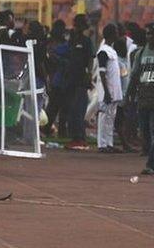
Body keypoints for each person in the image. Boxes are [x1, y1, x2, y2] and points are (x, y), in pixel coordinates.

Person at [127, 23, 154, 174]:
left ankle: (151, 164)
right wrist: (128, 96)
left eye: (151, 34)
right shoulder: (141, 53)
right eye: (148, 34)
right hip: (144, 97)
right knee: (144, 131)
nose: (149, 37)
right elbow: (134, 76)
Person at [65, 14, 94, 151]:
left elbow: (90, 58)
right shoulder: (72, 40)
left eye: (78, 25)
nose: (76, 27)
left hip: (81, 79)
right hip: (71, 78)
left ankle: (81, 138)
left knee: (79, 108)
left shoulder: (86, 41)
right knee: (72, 108)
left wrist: (88, 74)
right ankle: (74, 137)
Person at [96, 24, 123, 153]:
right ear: (112, 34)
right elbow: (102, 72)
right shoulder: (103, 51)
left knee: (111, 118)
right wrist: (106, 91)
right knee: (103, 117)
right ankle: (102, 144)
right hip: (106, 90)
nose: (118, 34)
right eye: (116, 32)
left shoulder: (112, 51)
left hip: (114, 90)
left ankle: (109, 143)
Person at [43, 20, 70, 137]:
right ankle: (50, 128)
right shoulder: (56, 44)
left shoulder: (52, 43)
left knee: (56, 106)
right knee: (57, 106)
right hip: (56, 78)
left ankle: (52, 129)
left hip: (56, 78)